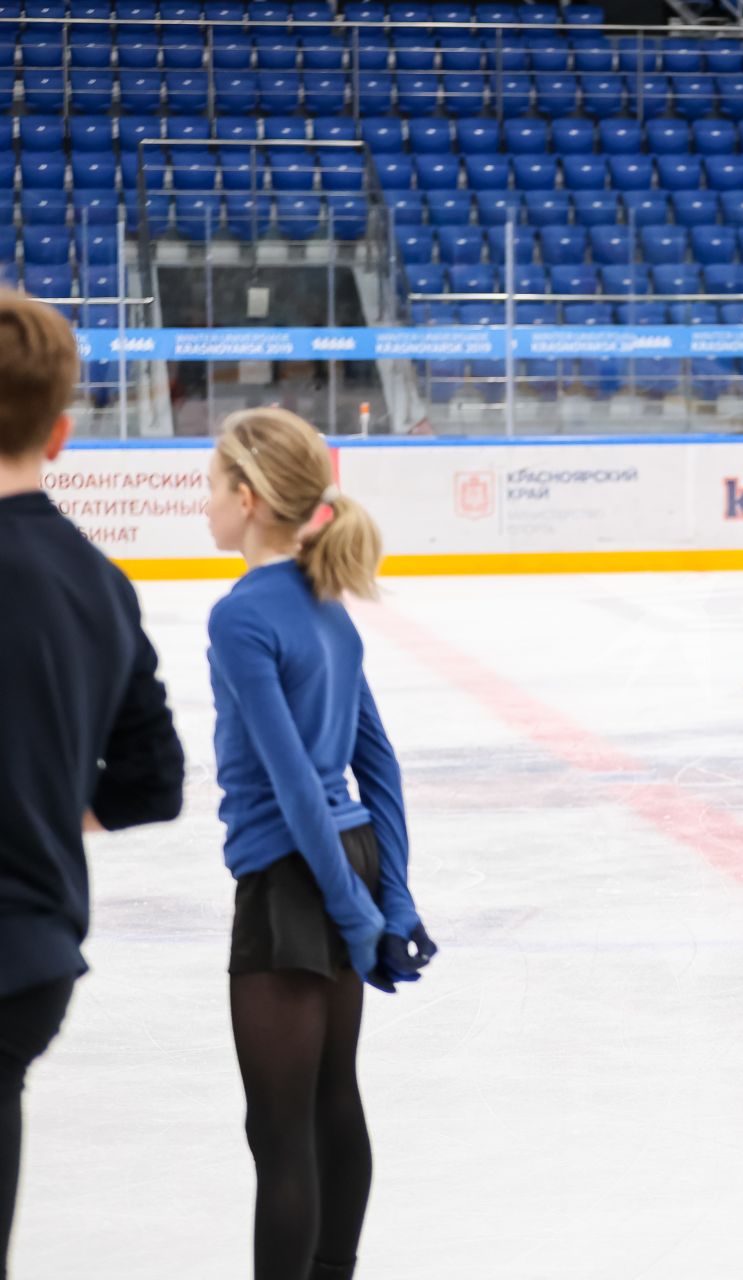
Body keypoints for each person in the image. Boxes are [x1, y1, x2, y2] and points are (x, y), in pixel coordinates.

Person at [205, 407, 438, 1280]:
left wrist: (352, 912)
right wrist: (390, 897)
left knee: (280, 1131)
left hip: (293, 876)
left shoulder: (242, 616)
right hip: (350, 860)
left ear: (249, 497)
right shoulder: (327, 605)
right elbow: (377, 768)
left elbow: (298, 782)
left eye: (212, 489)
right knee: (332, 1100)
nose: (206, 507)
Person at [0, 291, 185, 1276]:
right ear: (64, 432)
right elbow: (154, 778)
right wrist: (44, 801)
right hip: (28, 962)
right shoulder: (98, 580)